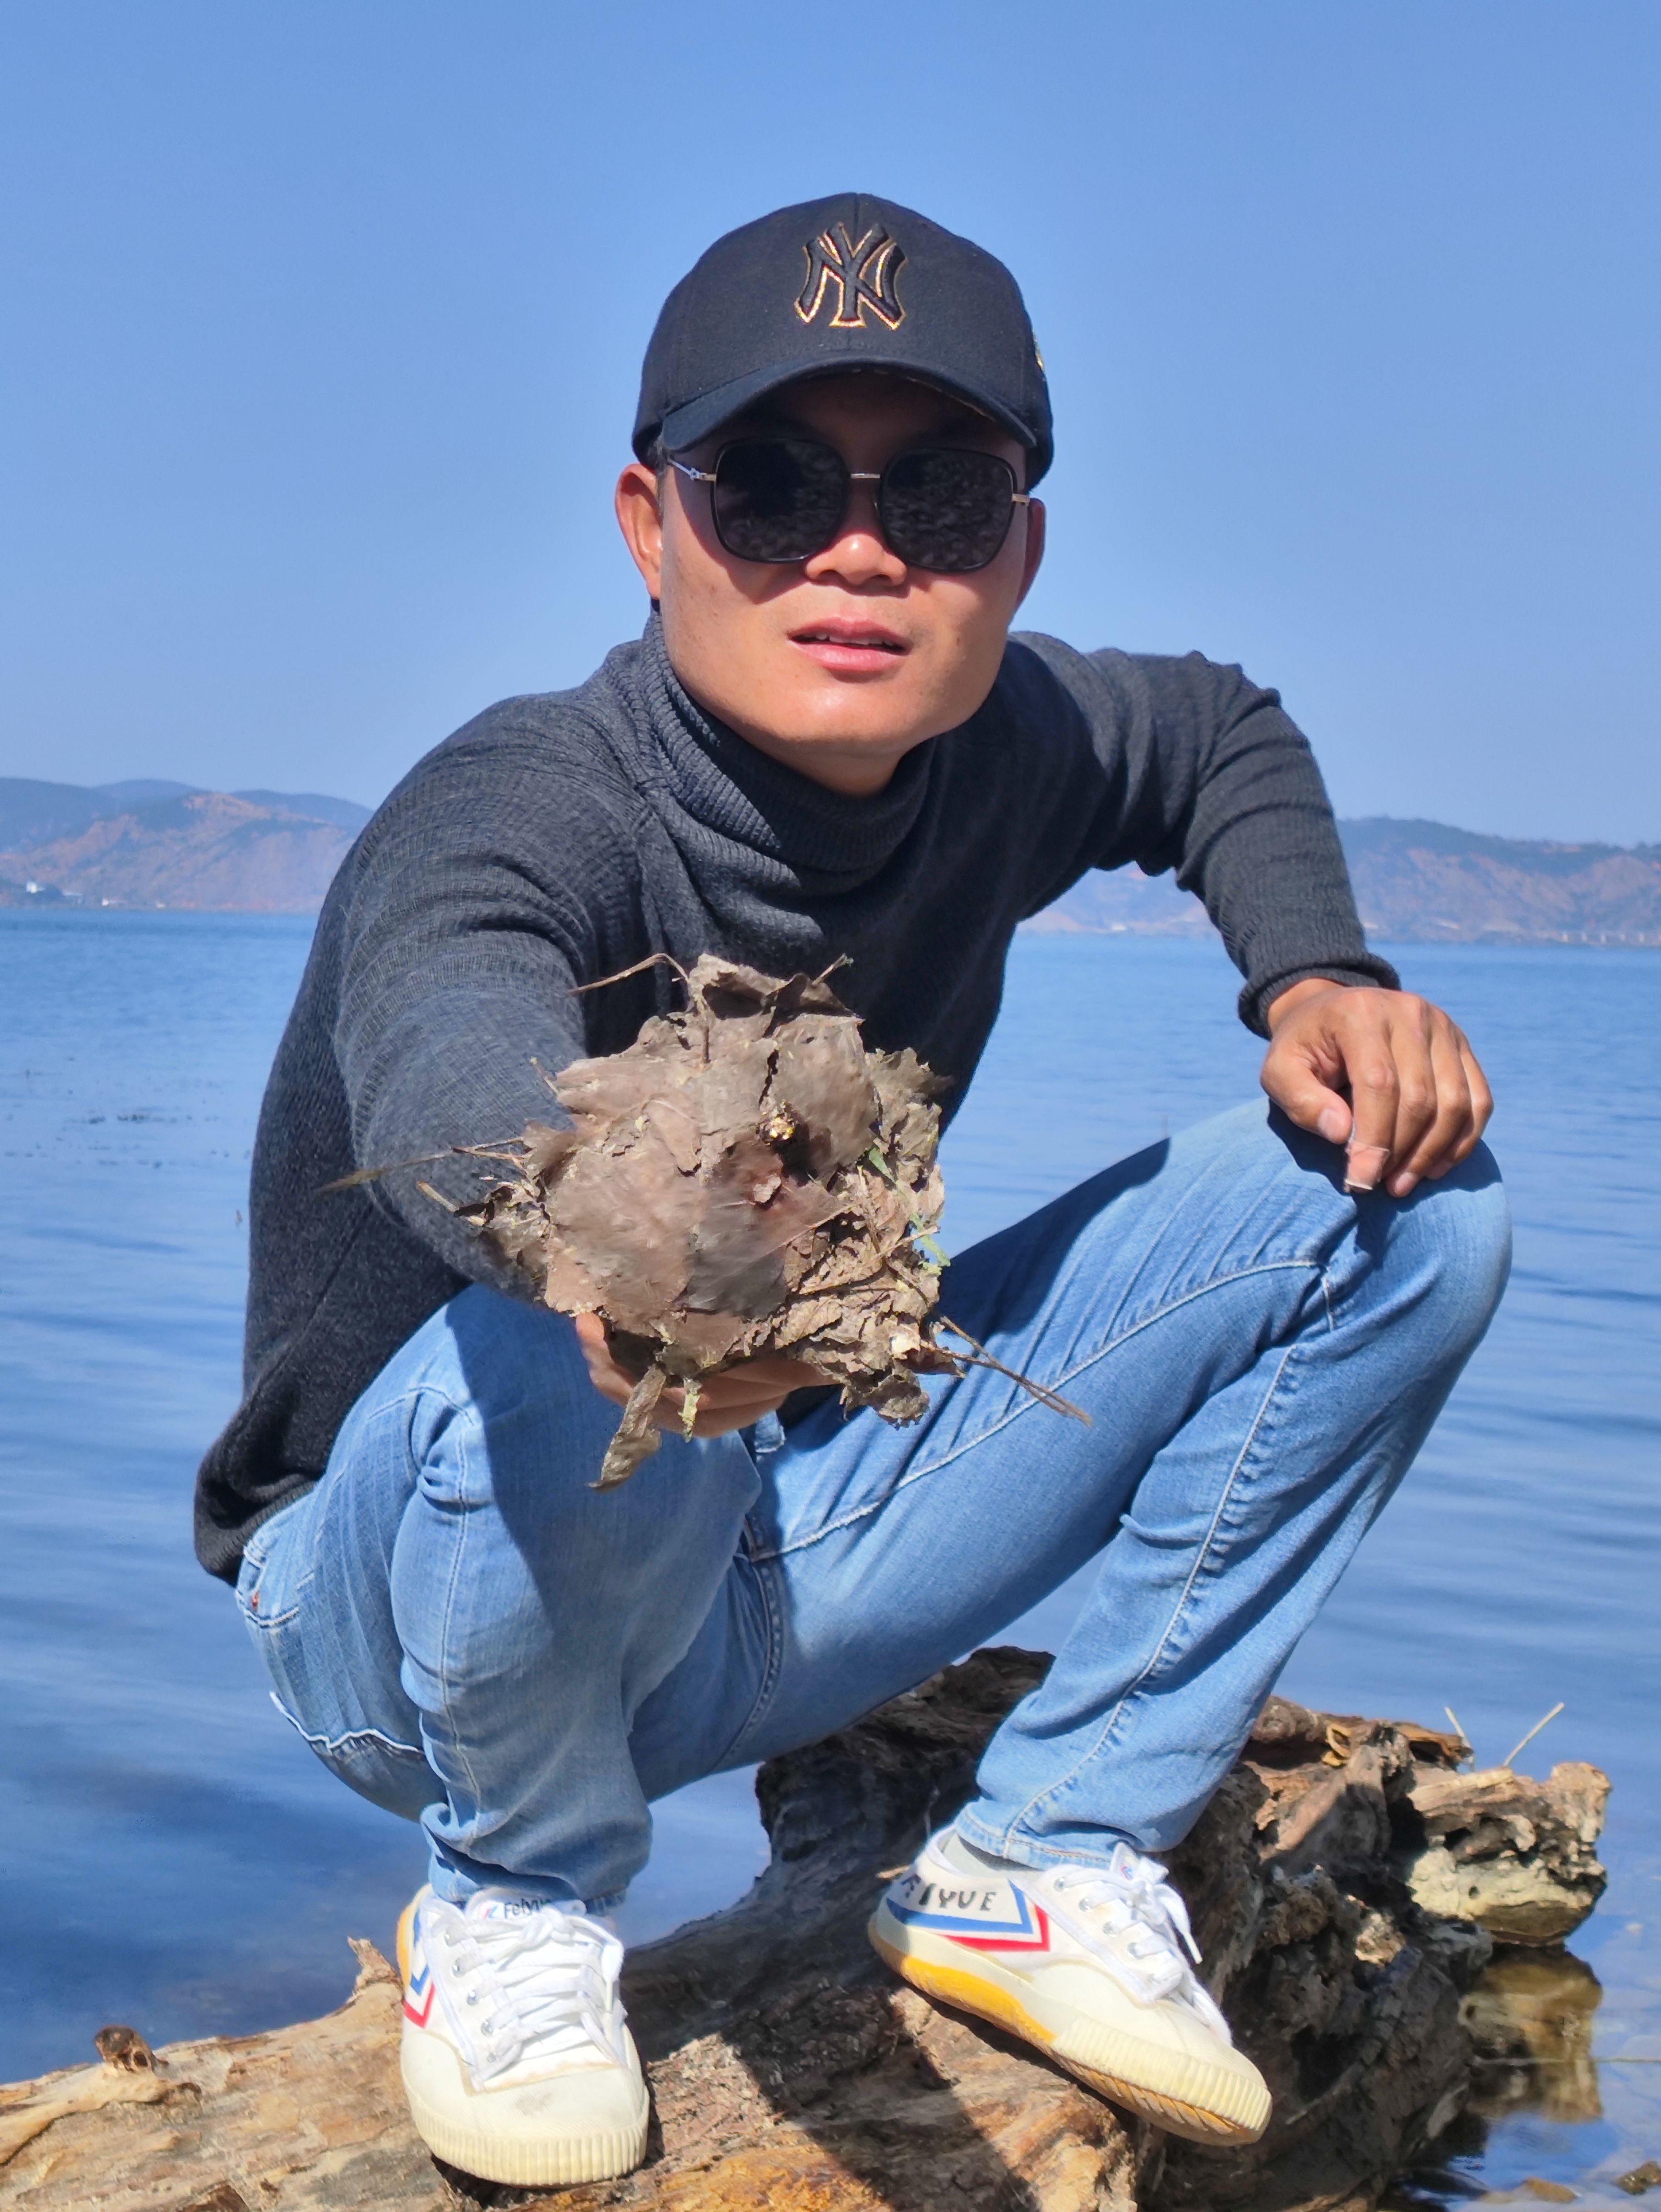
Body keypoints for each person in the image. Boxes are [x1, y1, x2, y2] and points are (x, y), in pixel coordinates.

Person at [199, 193, 1509, 2187]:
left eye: (943, 497)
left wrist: (1320, 975)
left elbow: (1217, 734)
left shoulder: (1009, 743)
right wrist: (613, 1248)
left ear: (1019, 550)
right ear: (651, 523)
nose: (861, 551)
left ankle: (1052, 1849)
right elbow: (444, 1029)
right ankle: (517, 1902)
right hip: (400, 1625)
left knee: (1408, 1198)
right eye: (775, 483)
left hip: (763, 1553)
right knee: (561, 1318)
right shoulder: (524, 801)